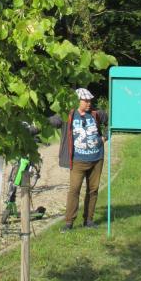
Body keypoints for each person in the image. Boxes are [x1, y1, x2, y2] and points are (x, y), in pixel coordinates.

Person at [49, 88, 108, 231]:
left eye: (90, 100)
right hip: (78, 161)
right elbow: (51, 121)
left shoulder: (96, 114)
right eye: (86, 101)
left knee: (93, 190)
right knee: (74, 190)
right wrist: (32, 128)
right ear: (77, 101)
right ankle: (69, 222)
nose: (89, 103)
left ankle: (88, 220)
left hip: (96, 158)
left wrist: (105, 136)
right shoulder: (67, 115)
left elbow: (110, 122)